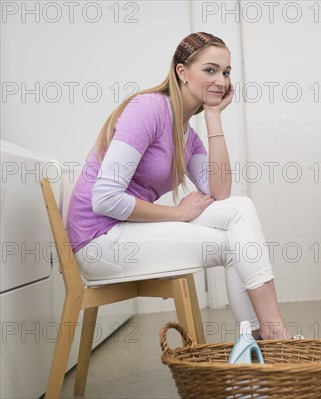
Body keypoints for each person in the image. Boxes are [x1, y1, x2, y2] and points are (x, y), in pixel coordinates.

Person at [66, 32, 289, 340]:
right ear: (182, 72)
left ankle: (263, 338)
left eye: (226, 72)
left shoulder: (185, 133)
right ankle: (270, 338)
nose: (221, 80)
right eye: (210, 70)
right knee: (239, 243)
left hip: (127, 231)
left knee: (241, 211)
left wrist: (213, 116)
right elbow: (104, 199)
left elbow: (221, 193)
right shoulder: (149, 109)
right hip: (99, 241)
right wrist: (178, 214)